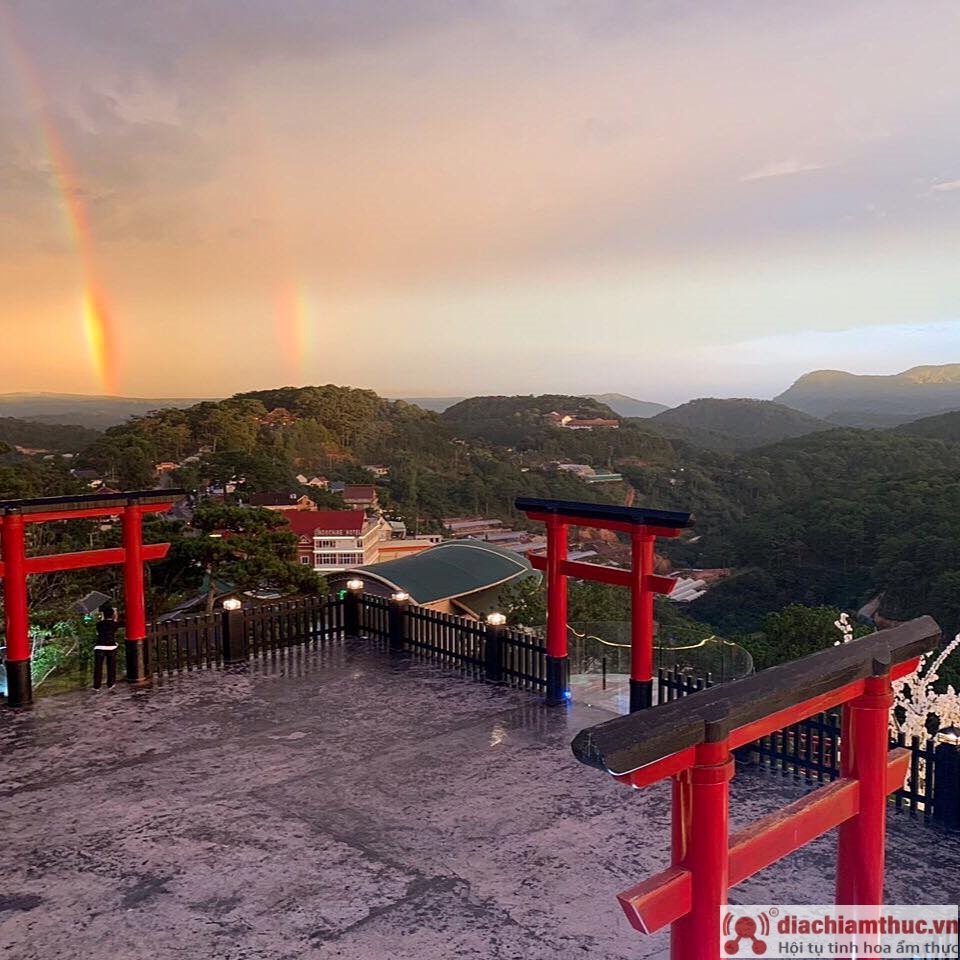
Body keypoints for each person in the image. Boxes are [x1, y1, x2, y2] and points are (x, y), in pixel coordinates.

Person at [93, 604, 122, 690]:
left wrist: (103, 615)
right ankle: (110, 684)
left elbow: (102, 623)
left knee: (98, 668)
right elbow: (115, 620)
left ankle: (96, 686)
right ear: (112, 615)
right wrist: (115, 612)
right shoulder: (114, 624)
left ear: (103, 615)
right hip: (111, 647)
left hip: (99, 647)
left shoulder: (98, 624)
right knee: (111, 666)